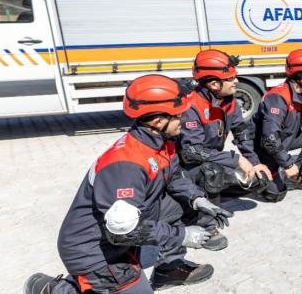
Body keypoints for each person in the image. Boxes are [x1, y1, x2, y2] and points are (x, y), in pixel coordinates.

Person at [24, 75, 232, 293]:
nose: (183, 119)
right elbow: (122, 232)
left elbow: (174, 177)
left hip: (121, 233)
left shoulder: (161, 143)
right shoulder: (126, 166)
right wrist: (182, 236)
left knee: (180, 203)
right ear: (158, 122)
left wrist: (197, 199)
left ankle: (167, 268)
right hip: (93, 250)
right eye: (179, 114)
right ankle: (54, 289)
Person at [178, 50, 276, 234]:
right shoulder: (192, 106)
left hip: (211, 159)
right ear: (214, 84)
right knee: (212, 172)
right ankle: (205, 225)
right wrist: (236, 160)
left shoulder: (229, 101)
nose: (236, 81)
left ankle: (210, 194)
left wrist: (254, 162)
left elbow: (241, 133)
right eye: (231, 78)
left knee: (258, 178)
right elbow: (191, 152)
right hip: (186, 168)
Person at [252, 49, 302, 195]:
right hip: (266, 149)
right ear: (300, 76)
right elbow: (270, 139)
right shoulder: (278, 97)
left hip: (285, 140)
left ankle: (295, 177)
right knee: (275, 195)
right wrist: (288, 164)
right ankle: (255, 174)